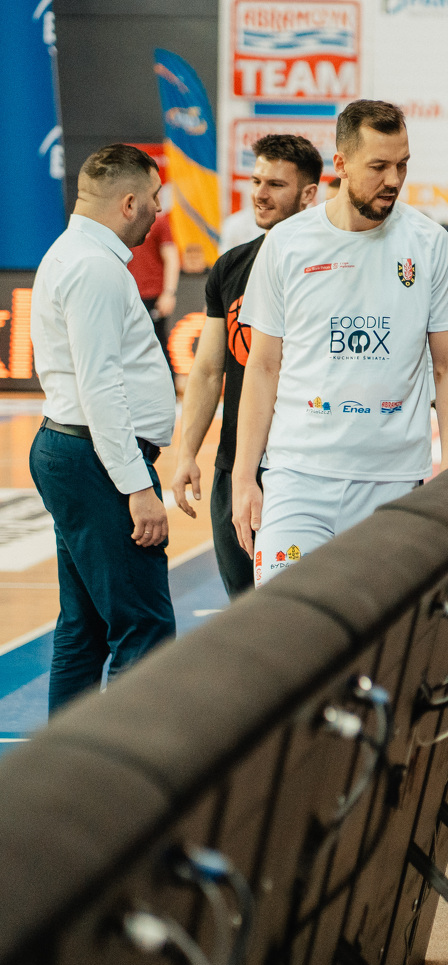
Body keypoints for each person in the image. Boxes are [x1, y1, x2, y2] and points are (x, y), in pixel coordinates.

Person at [232, 100, 448, 587]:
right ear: (341, 165)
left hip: (394, 482)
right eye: (378, 166)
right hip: (296, 478)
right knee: (289, 625)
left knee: (382, 630)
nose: (393, 179)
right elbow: (262, 367)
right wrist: (244, 476)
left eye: (402, 164)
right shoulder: (286, 243)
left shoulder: (430, 244)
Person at [29, 143, 176, 714]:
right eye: (155, 198)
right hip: (96, 459)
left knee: (84, 627)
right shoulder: (93, 267)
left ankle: (65, 761)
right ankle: (139, 764)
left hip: (79, 454)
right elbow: (101, 388)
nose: (160, 209)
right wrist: (137, 486)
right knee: (146, 629)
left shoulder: (73, 254)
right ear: (130, 202)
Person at [170, 135, 322, 598]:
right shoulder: (231, 266)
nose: (260, 194)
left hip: (305, 467)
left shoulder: (332, 267)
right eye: (256, 181)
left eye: (275, 184)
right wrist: (186, 453)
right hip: (236, 466)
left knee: (304, 610)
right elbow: (208, 369)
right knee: (243, 607)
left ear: (309, 194)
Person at [127, 210, 179, 363]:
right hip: (127, 294)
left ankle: (168, 378)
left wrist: (169, 293)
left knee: (156, 344)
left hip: (152, 296)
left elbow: (171, 257)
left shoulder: (158, 221)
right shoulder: (118, 221)